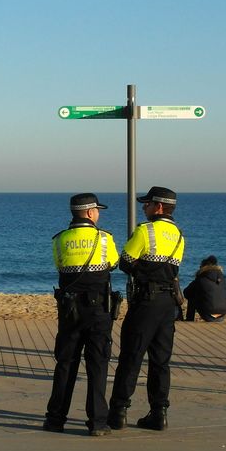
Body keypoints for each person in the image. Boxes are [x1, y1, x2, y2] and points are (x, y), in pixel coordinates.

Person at [109, 185, 186, 432]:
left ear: (159, 207)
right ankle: (159, 412)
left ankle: (118, 411)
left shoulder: (145, 231)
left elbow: (125, 261)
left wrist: (142, 273)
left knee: (131, 357)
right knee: (161, 360)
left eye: (147, 204)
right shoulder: (179, 234)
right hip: (168, 305)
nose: (144, 207)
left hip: (146, 302)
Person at [43, 193, 120, 437]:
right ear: (89, 213)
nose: (99, 214)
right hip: (98, 311)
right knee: (97, 365)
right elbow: (114, 263)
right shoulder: (105, 238)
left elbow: (59, 265)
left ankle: (55, 419)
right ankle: (97, 422)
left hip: (69, 310)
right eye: (97, 210)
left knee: (66, 364)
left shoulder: (60, 239)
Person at [183, 255, 226, 322]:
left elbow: (186, 292)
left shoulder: (201, 278)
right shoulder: (222, 278)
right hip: (222, 315)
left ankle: (189, 319)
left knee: (192, 296)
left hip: (208, 315)